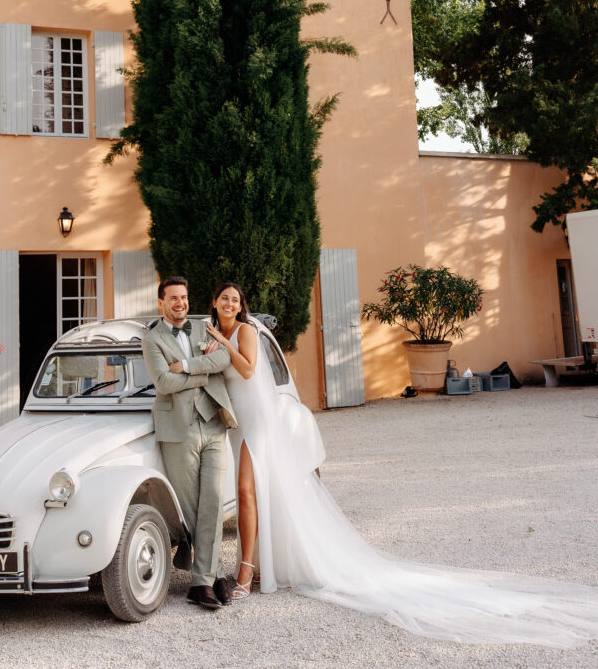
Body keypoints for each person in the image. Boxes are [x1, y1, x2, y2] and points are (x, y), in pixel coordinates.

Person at [206, 280, 598, 647]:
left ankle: (244, 575)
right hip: (238, 422)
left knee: (246, 490)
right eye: (224, 299)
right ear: (214, 303)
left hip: (259, 420)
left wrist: (222, 341)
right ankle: (259, 568)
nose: (230, 304)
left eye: (235, 300)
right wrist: (209, 352)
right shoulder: (211, 336)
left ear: (241, 307)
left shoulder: (246, 331)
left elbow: (247, 369)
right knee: (256, 496)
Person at [141, 276, 237, 611]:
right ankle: (216, 575)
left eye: (184, 297)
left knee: (212, 498)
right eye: (173, 298)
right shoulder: (150, 339)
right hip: (176, 430)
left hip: (213, 421)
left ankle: (201, 582)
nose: (181, 303)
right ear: (161, 303)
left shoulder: (202, 327)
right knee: (194, 509)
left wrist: (186, 366)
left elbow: (223, 360)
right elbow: (164, 383)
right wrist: (202, 370)